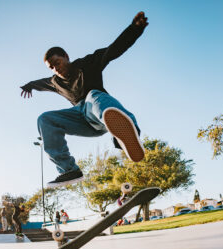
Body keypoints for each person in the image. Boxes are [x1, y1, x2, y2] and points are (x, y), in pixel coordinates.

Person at [20, 12, 149, 188]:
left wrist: (135, 29)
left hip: (99, 110)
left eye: (57, 63)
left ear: (66, 56)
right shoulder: (55, 82)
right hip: (81, 120)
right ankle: (69, 170)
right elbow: (40, 83)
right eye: (51, 67)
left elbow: (114, 49)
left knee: (93, 95)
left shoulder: (89, 63)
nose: (55, 69)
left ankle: (126, 135)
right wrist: (29, 85)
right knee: (45, 119)